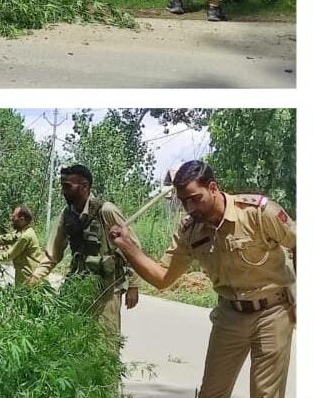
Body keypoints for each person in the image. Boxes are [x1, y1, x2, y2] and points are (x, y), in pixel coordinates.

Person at [109, 160, 296, 398]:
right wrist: (128, 247)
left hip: (272, 313)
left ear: (213, 188)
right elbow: (162, 278)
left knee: (265, 394)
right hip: (229, 316)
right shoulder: (190, 232)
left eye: (195, 199)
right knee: (211, 393)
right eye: (184, 201)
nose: (190, 207)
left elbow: (299, 243)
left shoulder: (257, 212)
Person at [27, 165, 139, 335]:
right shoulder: (66, 215)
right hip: (78, 287)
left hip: (107, 290)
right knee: (74, 337)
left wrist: (133, 285)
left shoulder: (106, 210)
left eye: (67, 186)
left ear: (84, 186)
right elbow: (52, 255)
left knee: (105, 340)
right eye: (62, 186)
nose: (63, 192)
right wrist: (33, 280)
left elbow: (133, 247)